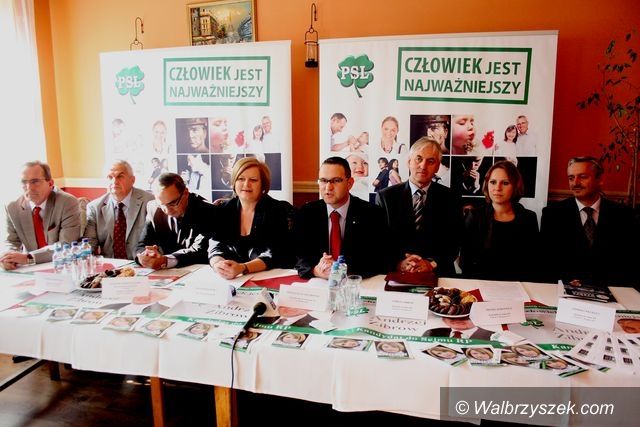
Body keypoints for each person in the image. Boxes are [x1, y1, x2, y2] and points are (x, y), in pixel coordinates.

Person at [540, 157, 637, 287]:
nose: (575, 183)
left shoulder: (624, 215)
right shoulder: (552, 214)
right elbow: (546, 263)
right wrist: (566, 282)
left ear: (600, 179)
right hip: (565, 290)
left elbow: (630, 263)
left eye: (583, 177)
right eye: (571, 178)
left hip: (612, 291)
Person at [376, 138, 462, 277]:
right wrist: (399, 263)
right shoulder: (385, 197)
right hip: (398, 274)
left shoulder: (451, 198)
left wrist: (431, 264)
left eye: (430, 161)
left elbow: (454, 243)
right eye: (419, 159)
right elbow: (379, 242)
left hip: (438, 274)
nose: (423, 166)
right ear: (409, 162)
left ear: (437, 167)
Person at [294, 157, 391, 279]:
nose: (328, 187)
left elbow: (380, 258)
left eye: (336, 181)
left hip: (357, 283)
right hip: (318, 283)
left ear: (349, 183)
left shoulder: (372, 214)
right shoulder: (307, 212)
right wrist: (316, 270)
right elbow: (298, 255)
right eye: (323, 180)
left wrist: (342, 269)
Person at [208, 157, 295, 279]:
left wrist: (243, 268)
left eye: (253, 180)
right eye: (241, 179)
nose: (246, 184)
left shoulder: (278, 209)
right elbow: (216, 244)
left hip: (268, 277)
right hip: (231, 279)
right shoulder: (223, 209)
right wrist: (218, 264)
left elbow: (276, 253)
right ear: (234, 182)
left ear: (263, 185)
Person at [460, 161, 539, 281]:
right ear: (487, 184)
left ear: (515, 186)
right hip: (481, 284)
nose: (497, 188)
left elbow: (533, 263)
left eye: (505, 183)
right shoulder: (474, 216)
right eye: (493, 182)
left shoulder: (528, 218)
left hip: (518, 286)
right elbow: (466, 263)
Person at [2, 161, 80, 269]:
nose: (29, 187)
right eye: (24, 182)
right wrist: (8, 257)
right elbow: (11, 241)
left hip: (62, 265)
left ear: (50, 183)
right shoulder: (12, 207)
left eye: (35, 181)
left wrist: (29, 258)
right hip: (29, 269)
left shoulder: (67, 202)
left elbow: (66, 244)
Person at [137, 173, 218, 269]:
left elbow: (199, 250)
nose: (167, 211)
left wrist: (166, 260)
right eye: (161, 205)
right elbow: (142, 244)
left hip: (200, 270)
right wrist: (145, 255)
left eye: (172, 203)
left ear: (186, 193)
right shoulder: (154, 208)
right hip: (168, 272)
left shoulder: (208, 211)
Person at [84, 161, 154, 260]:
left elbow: (159, 241)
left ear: (132, 180)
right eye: (110, 177)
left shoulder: (150, 202)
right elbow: (89, 244)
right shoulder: (94, 207)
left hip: (143, 263)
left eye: (120, 176)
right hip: (111, 265)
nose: (114, 181)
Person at [423, 317, 493, 340]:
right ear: (443, 319)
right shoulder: (432, 332)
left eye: (466, 317)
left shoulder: (492, 336)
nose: (458, 319)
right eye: (452, 317)